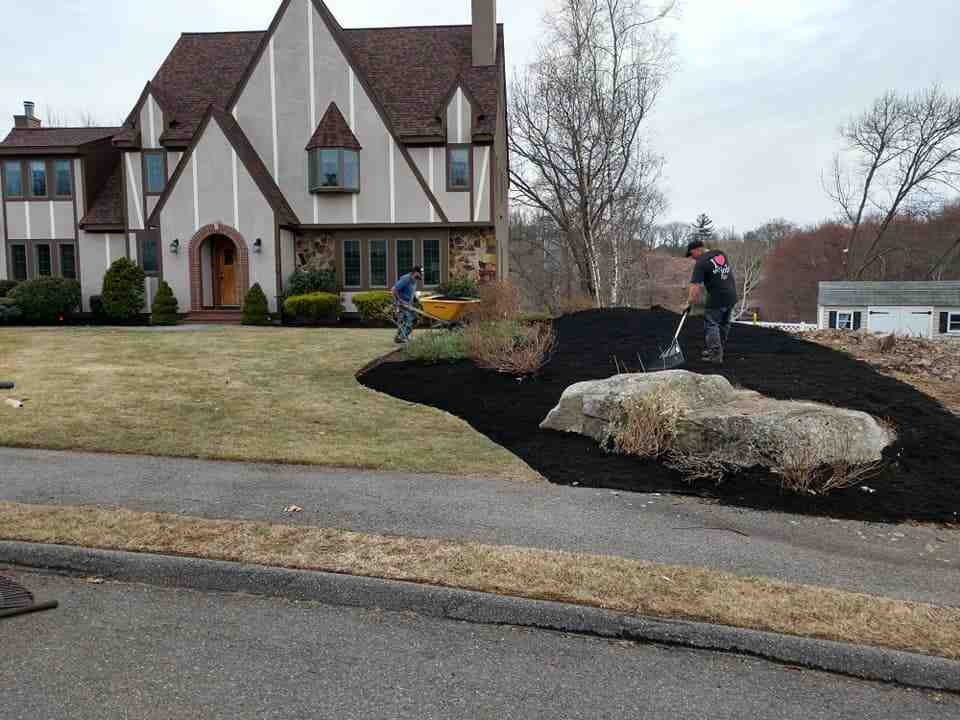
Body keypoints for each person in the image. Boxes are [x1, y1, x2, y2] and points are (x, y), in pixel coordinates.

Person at [685, 239, 738, 365]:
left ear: (697, 250)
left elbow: (695, 287)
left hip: (717, 298)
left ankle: (715, 356)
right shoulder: (720, 254)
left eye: (692, 255)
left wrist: (689, 303)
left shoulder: (701, 263)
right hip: (731, 295)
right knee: (724, 324)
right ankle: (718, 350)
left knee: (711, 324)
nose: (693, 258)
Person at [392, 265, 423, 344]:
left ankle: (400, 337)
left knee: (414, 320)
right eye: (420, 273)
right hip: (402, 304)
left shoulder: (414, 280)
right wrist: (400, 300)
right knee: (409, 320)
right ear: (415, 272)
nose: (420, 276)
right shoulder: (406, 279)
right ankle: (401, 337)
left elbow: (411, 293)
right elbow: (394, 289)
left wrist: (417, 299)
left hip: (409, 304)